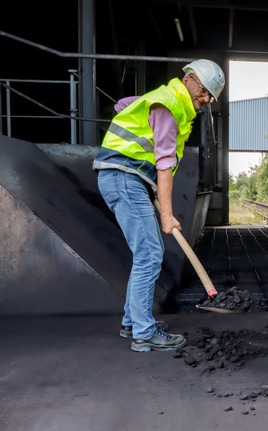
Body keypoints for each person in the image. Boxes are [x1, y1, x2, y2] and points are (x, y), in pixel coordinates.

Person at [93, 59, 226, 352]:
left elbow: (121, 105)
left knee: (145, 253)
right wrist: (167, 215)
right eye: (203, 92)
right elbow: (165, 165)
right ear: (189, 79)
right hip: (124, 178)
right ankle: (143, 332)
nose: (205, 100)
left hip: (126, 178)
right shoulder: (169, 107)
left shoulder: (162, 100)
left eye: (209, 97)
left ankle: (132, 322)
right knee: (150, 253)